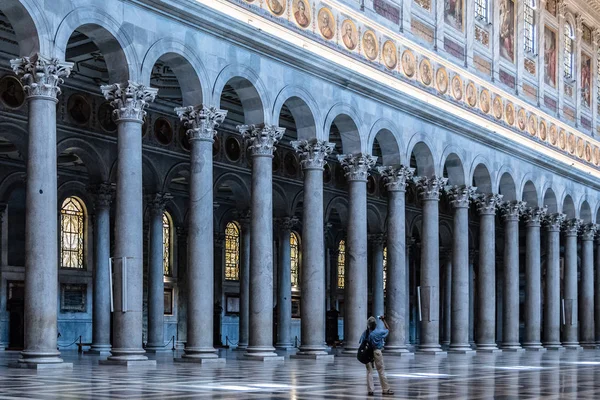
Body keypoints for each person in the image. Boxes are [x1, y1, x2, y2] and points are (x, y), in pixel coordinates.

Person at [359, 316, 394, 396]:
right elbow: (388, 329)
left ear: (368, 325)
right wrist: (383, 320)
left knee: (369, 372)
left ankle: (370, 390)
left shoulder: (366, 333)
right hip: (377, 351)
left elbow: (361, 342)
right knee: (381, 370)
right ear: (375, 324)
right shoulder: (379, 332)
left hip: (367, 353)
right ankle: (385, 389)